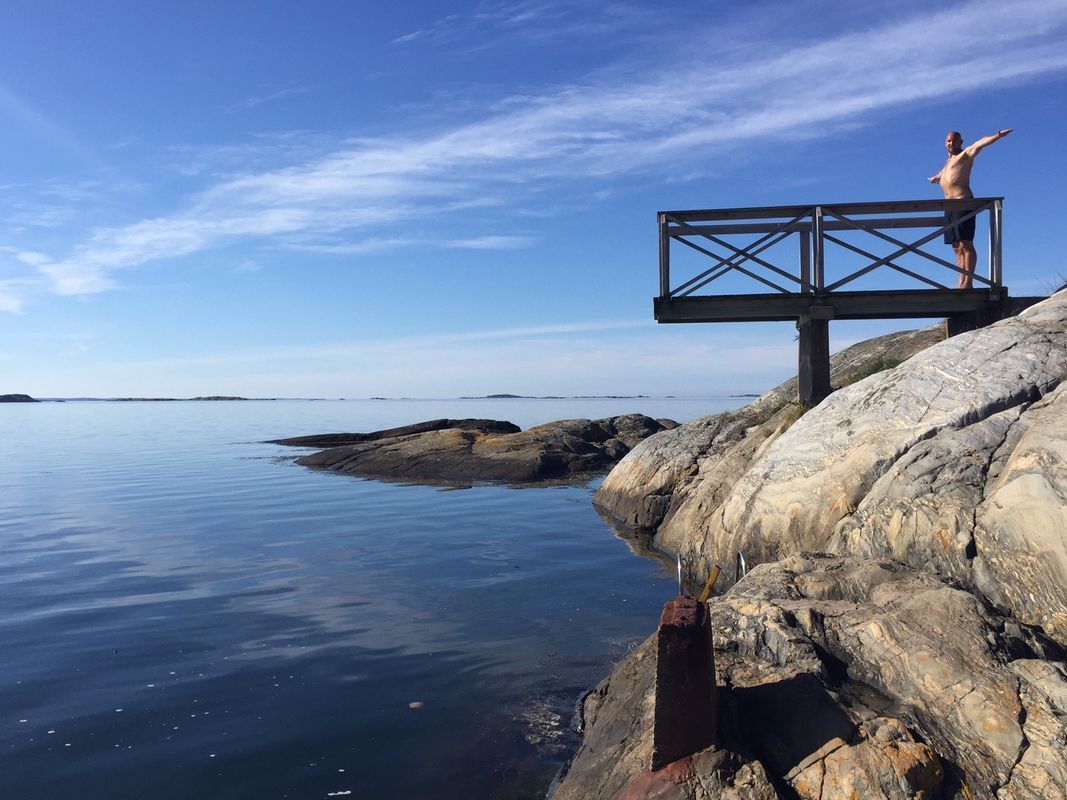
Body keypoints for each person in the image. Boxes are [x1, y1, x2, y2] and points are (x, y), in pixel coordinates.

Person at [928, 128, 1012, 289]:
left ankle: (968, 282)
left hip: (963, 202)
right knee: (956, 247)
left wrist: (997, 135)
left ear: (961, 141)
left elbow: (980, 143)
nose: (950, 143)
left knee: (966, 243)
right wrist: (936, 177)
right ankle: (961, 282)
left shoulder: (965, 154)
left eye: (954, 140)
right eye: (948, 141)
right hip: (949, 207)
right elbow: (946, 173)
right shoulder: (947, 162)